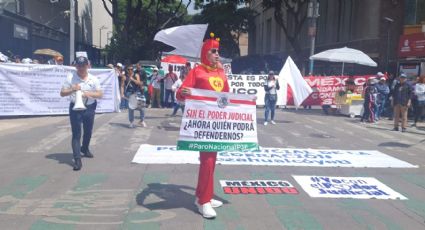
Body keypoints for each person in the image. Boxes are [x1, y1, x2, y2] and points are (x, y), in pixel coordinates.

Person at [176, 33, 229, 219]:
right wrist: (183, 92)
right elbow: (180, 94)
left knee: (212, 162)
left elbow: (228, 96)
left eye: (218, 51)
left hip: (217, 125)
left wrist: (246, 102)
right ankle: (203, 201)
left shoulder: (221, 72)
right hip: (202, 125)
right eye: (214, 51)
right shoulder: (196, 71)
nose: (217, 54)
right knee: (207, 161)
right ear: (206, 52)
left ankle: (203, 194)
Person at [60, 56, 103, 171]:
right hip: (75, 107)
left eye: (83, 66)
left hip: (89, 107)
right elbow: (62, 93)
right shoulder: (70, 77)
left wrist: (88, 94)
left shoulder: (93, 79)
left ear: (87, 66)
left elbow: (100, 94)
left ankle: (85, 148)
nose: (81, 68)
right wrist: (72, 89)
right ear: (76, 66)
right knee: (76, 133)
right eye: (78, 66)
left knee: (88, 131)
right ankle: (77, 159)